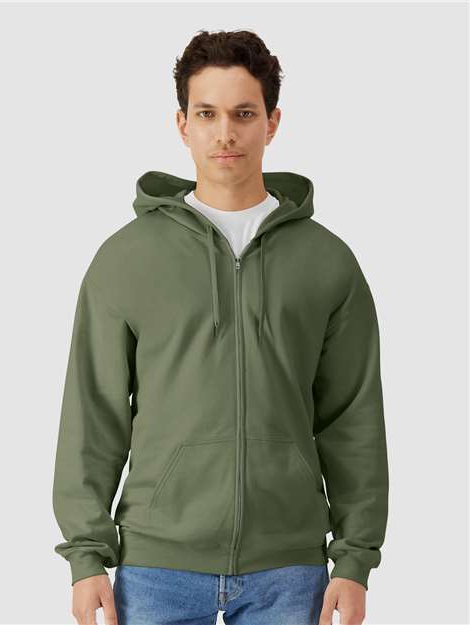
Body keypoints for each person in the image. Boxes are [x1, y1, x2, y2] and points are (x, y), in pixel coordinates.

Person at [52, 28, 389, 625]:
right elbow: (94, 415)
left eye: (243, 113)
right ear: (182, 124)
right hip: (156, 566)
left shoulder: (327, 261)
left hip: (289, 569)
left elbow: (352, 419)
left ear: (272, 122)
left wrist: (355, 559)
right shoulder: (126, 258)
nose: (225, 132)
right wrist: (86, 558)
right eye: (206, 113)